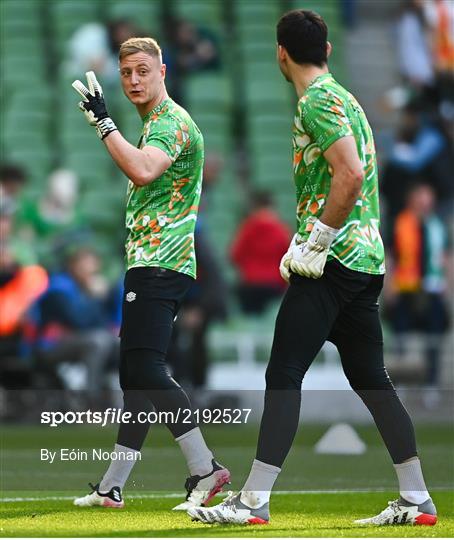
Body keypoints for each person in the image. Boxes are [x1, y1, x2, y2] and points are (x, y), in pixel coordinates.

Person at [188, 10, 437, 527]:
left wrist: (317, 240)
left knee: (284, 372)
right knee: (371, 377)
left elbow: (349, 173)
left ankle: (253, 500)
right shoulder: (346, 98)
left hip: (336, 260)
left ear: (281, 53)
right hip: (367, 259)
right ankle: (416, 497)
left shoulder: (318, 101)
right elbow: (357, 173)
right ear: (326, 50)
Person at [71, 37, 229, 510]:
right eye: (127, 73)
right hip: (153, 261)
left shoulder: (170, 124)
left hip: (161, 262)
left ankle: (205, 469)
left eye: (144, 70)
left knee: (144, 369)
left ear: (164, 71)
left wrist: (103, 124)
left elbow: (142, 170)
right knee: (135, 377)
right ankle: (112, 487)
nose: (135, 80)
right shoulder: (155, 124)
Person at [389, 184, 449, 392]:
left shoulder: (437, 225)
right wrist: (390, 287)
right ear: (412, 200)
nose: (424, 204)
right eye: (420, 199)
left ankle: (431, 383)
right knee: (400, 337)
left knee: (434, 337)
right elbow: (393, 257)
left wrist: (447, 285)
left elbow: (444, 257)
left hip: (432, 288)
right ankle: (400, 383)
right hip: (406, 288)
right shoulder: (401, 223)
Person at [230, 191, 291, 314]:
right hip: (275, 285)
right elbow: (288, 259)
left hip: (250, 284)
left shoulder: (248, 226)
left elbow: (235, 254)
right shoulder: (282, 229)